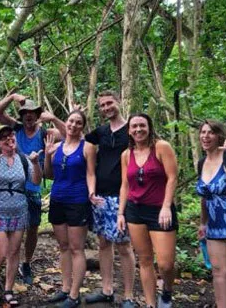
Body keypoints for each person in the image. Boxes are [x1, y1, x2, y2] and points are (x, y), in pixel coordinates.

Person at [0, 93, 61, 285]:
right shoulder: (16, 128)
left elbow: (69, 134)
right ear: (21, 115)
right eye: (25, 113)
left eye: (32, 113)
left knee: (32, 227)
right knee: (6, 229)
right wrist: (13, 96)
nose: (28, 116)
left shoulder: (45, 133)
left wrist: (54, 118)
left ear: (38, 114)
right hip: (12, 188)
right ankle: (2, 264)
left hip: (33, 187)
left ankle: (26, 263)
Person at [118, 113, 179, 308]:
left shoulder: (161, 147)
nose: (138, 130)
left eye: (142, 126)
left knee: (165, 264)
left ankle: (167, 290)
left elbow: (172, 177)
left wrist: (166, 206)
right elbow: (125, 185)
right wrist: (120, 213)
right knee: (144, 260)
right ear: (129, 130)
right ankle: (151, 304)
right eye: (134, 126)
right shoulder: (126, 155)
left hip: (160, 210)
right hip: (135, 211)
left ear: (149, 127)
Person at [82, 91, 137, 308]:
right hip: (101, 196)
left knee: (124, 246)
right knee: (103, 243)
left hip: (123, 195)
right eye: (102, 105)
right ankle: (106, 290)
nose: (106, 107)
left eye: (109, 103)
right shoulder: (102, 132)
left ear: (119, 101)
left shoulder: (132, 129)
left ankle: (129, 296)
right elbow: (75, 136)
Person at [0, 126, 42, 307]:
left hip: (19, 211)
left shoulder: (23, 160)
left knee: (14, 253)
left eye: (11, 135)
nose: (9, 139)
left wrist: (36, 163)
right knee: (0, 252)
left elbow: (36, 180)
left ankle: (8, 289)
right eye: (4, 137)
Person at [43, 111, 96, 308]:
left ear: (82, 127)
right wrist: (48, 156)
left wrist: (91, 193)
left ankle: (74, 295)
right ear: (66, 123)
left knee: (76, 248)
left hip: (78, 201)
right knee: (63, 246)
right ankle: (65, 288)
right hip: (57, 199)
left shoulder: (87, 147)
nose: (73, 125)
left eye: (78, 122)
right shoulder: (55, 146)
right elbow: (49, 175)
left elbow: (91, 174)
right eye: (71, 121)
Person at [196, 120, 226, 308]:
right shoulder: (202, 163)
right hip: (214, 224)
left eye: (211, 132)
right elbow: (204, 196)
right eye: (203, 132)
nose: (206, 136)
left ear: (219, 136)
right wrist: (203, 223)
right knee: (218, 272)